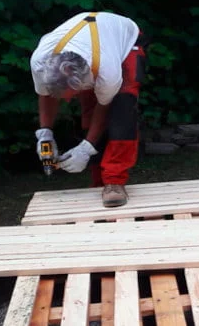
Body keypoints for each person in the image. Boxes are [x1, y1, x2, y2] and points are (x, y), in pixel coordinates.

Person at [30, 11, 146, 208]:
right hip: (91, 45)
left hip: (126, 42)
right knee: (88, 111)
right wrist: (45, 133)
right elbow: (45, 94)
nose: (65, 102)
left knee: (122, 111)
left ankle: (114, 181)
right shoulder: (40, 61)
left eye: (68, 96)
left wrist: (85, 149)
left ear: (82, 82)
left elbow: (104, 108)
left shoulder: (107, 72)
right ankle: (98, 180)